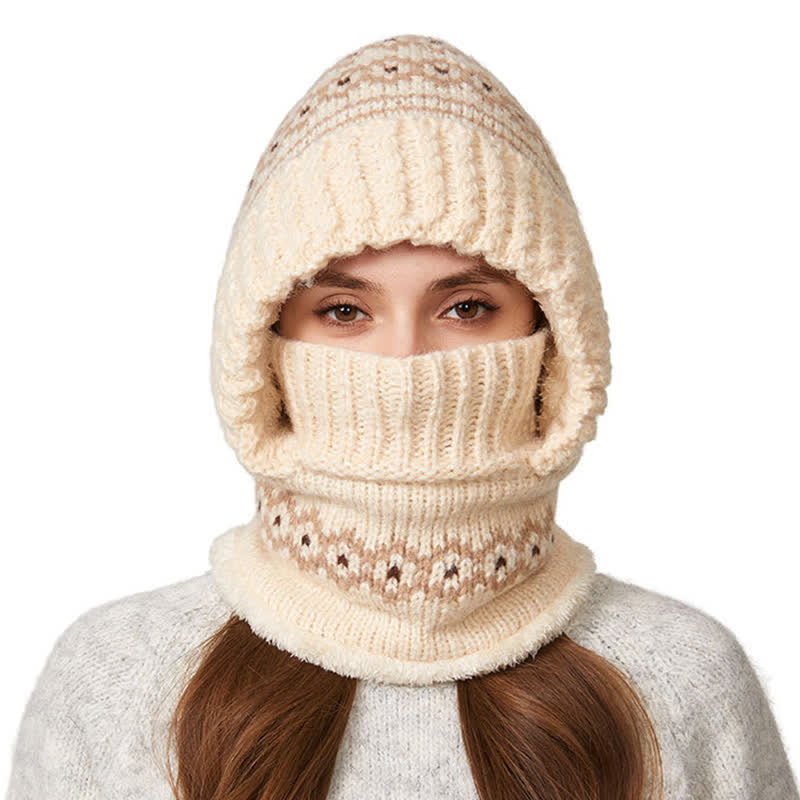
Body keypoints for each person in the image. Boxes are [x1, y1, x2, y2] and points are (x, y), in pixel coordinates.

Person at [5, 33, 798, 800]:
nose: (407, 363)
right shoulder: (120, 677)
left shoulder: (684, 680)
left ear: (555, 340)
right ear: (263, 346)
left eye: (467, 307)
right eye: (344, 310)